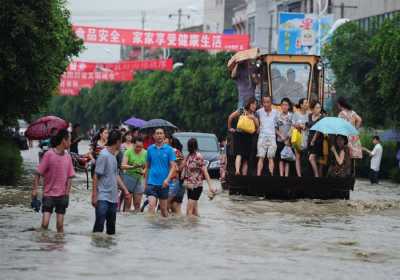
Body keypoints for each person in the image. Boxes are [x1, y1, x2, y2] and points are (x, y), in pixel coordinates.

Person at [31, 129, 75, 233]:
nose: (71, 142)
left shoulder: (68, 157)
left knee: (60, 226)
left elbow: (70, 177)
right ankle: (43, 243)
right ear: (63, 141)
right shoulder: (49, 155)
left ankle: (59, 245)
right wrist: (35, 190)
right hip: (48, 195)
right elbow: (38, 173)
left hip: (62, 195)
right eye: (69, 140)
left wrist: (67, 195)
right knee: (45, 224)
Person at [92, 130, 130, 235]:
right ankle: (96, 250)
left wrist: (125, 190)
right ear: (118, 142)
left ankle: (108, 250)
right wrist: (94, 196)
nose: (121, 144)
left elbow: (115, 175)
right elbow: (96, 175)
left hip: (113, 198)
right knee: (98, 229)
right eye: (121, 142)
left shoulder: (113, 156)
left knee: (111, 231)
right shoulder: (104, 155)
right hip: (103, 197)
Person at [144, 128, 176, 217]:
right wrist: (145, 183)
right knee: (151, 206)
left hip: (164, 183)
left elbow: (173, 167)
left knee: (163, 211)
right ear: (154, 136)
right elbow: (147, 167)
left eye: (161, 133)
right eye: (157, 133)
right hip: (151, 183)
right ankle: (150, 229)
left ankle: (165, 227)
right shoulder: (150, 149)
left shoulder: (169, 150)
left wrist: (167, 179)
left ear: (164, 136)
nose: (159, 135)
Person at [182, 138, 216, 217]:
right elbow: (184, 168)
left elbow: (205, 171)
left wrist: (210, 186)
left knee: (188, 211)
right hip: (189, 186)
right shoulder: (188, 156)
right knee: (194, 211)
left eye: (191, 146)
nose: (190, 148)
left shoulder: (198, 157)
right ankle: (197, 227)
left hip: (197, 186)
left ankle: (189, 228)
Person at [227, 97, 259, 176]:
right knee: (239, 154)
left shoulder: (255, 114)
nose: (254, 106)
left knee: (246, 158)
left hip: (249, 136)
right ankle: (237, 171)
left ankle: (244, 174)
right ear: (249, 104)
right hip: (239, 135)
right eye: (253, 104)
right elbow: (230, 117)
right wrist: (230, 128)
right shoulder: (241, 110)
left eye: (255, 104)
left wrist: (254, 119)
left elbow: (258, 127)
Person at [121, 136, 147, 211]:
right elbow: (123, 166)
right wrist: (132, 167)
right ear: (133, 145)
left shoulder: (146, 153)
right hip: (128, 178)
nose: (139, 149)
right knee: (127, 204)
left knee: (137, 204)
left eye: (141, 147)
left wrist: (144, 171)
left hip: (139, 179)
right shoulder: (128, 152)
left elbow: (147, 167)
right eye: (137, 146)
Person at [256, 96, 278, 176]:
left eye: (268, 102)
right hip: (262, 137)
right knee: (261, 157)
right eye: (264, 102)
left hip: (272, 137)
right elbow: (252, 117)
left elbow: (278, 124)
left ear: (271, 103)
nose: (266, 104)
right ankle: (258, 175)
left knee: (271, 157)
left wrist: (282, 135)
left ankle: (271, 175)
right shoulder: (259, 112)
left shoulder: (276, 112)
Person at [167, 137, 185, 215]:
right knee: (175, 206)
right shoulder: (177, 152)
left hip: (176, 181)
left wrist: (177, 169)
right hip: (176, 181)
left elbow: (183, 163)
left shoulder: (175, 152)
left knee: (171, 204)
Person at [275, 98, 293, 177]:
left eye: (286, 105)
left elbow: (293, 128)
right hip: (279, 140)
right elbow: (275, 128)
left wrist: (287, 138)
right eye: (283, 105)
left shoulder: (291, 116)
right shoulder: (277, 116)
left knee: (287, 159)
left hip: (288, 141)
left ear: (288, 106)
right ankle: (281, 175)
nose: (284, 106)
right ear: (281, 106)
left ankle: (286, 176)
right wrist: (281, 136)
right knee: (280, 159)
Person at [292, 98, 309, 177]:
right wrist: (299, 125)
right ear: (301, 105)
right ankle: (299, 175)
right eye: (305, 103)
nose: (307, 104)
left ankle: (305, 173)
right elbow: (293, 125)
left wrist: (305, 126)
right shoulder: (296, 114)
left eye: (307, 103)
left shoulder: (309, 114)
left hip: (306, 137)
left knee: (306, 156)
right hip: (298, 137)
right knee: (297, 156)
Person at [307, 101, 324, 177]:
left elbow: (319, 130)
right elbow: (308, 126)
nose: (318, 109)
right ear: (313, 109)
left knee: (311, 158)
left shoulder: (322, 117)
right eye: (317, 108)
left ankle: (316, 175)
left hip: (318, 141)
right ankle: (317, 176)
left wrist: (313, 140)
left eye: (319, 108)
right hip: (310, 139)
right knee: (314, 159)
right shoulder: (310, 116)